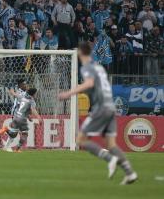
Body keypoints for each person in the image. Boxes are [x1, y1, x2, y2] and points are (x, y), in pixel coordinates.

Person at [58, 42, 137, 185]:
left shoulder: (87, 67)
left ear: (81, 52)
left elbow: (89, 83)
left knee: (80, 140)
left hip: (100, 108)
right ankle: (130, 173)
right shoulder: (99, 67)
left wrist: (68, 93)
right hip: (110, 106)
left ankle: (109, 158)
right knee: (111, 144)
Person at [0, 80, 41, 152]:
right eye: (25, 84)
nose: (26, 86)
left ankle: (7, 146)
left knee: (15, 132)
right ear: (21, 85)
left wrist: (11, 91)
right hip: (17, 114)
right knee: (22, 133)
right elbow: (29, 108)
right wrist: (37, 117)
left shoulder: (21, 94)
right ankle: (10, 147)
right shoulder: (27, 97)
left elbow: (17, 97)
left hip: (17, 114)